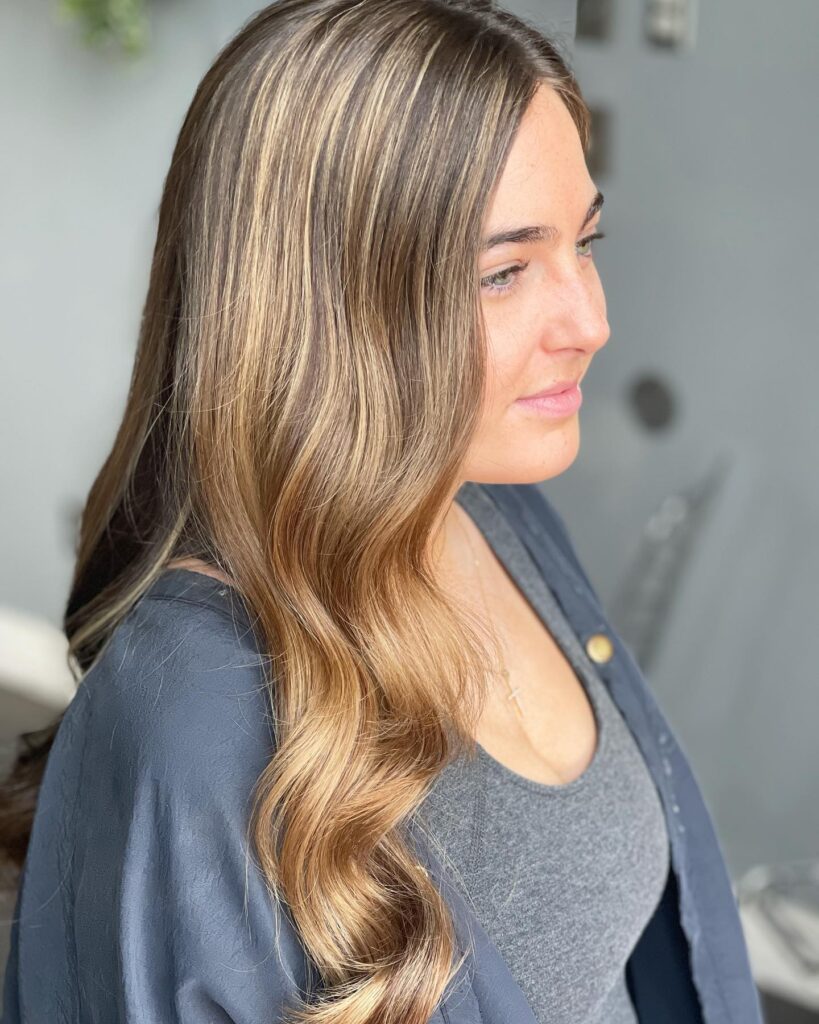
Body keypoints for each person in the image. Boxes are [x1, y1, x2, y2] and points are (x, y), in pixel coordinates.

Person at [0, 1, 763, 1021]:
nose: (592, 319)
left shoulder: (497, 512)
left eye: (587, 241)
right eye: (504, 271)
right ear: (326, 303)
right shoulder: (197, 716)